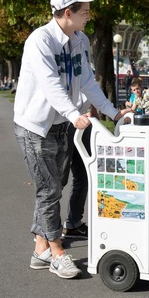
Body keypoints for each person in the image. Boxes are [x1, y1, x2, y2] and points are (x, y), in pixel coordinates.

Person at [14, 0, 129, 279]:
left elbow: (88, 82)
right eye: (85, 11)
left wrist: (113, 112)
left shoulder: (80, 40)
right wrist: (74, 114)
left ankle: (40, 247)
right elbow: (50, 84)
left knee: (54, 186)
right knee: (49, 189)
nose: (89, 16)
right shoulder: (40, 40)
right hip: (35, 126)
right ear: (68, 12)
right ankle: (57, 252)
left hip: (60, 124)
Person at [63, 101, 98, 240]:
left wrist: (93, 115)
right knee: (56, 182)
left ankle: (73, 224)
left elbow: (94, 104)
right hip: (62, 127)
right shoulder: (61, 79)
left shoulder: (88, 80)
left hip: (82, 129)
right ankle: (45, 233)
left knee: (83, 176)